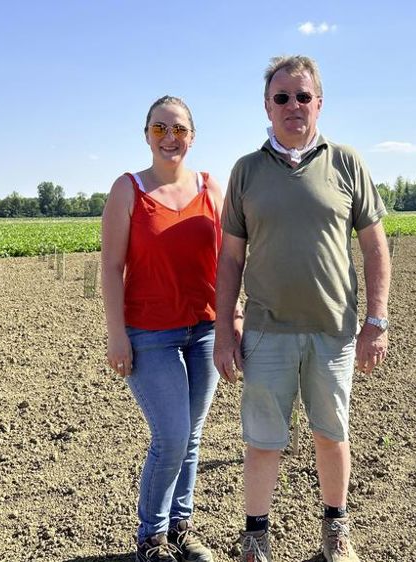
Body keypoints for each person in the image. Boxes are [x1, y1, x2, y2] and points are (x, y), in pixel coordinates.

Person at [213, 56, 391, 562]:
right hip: (265, 332)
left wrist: (376, 321)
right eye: (282, 97)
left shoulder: (346, 163)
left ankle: (336, 532)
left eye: (303, 96)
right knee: (263, 441)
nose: (293, 105)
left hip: (332, 331)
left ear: (319, 103)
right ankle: (255, 540)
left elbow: (375, 247)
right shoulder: (246, 171)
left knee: (331, 435)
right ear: (267, 106)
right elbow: (231, 259)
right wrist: (225, 331)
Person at [102, 95, 240, 562]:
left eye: (178, 129)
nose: (169, 137)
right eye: (159, 128)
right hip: (149, 334)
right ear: (146, 135)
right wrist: (117, 334)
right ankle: (151, 538)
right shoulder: (128, 190)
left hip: (205, 330)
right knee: (172, 436)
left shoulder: (211, 188)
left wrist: (234, 318)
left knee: (192, 436)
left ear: (192, 137)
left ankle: (181, 529)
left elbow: (228, 262)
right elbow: (111, 267)